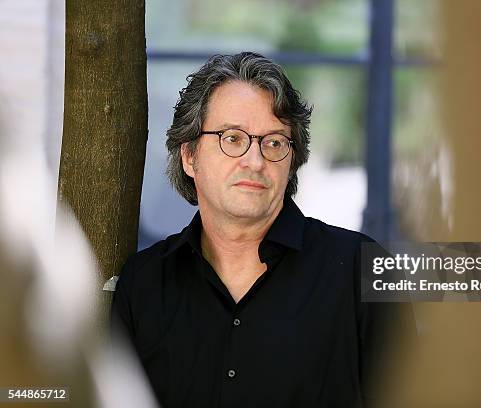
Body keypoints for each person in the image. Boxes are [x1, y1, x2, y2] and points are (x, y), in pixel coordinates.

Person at [111, 51, 415, 408]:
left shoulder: (362, 271)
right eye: (233, 138)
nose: (255, 161)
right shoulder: (143, 284)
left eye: (273, 143)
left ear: (291, 162)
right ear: (190, 156)